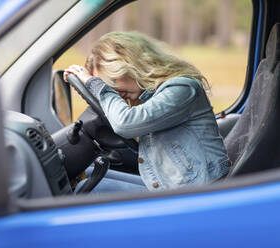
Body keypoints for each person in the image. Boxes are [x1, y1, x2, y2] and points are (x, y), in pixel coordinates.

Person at [64, 31, 230, 192]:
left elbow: (125, 123)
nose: (114, 91)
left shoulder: (182, 89)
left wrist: (97, 86)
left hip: (197, 191)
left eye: (113, 81)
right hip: (171, 182)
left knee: (90, 189)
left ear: (135, 65)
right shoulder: (150, 96)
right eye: (108, 85)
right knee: (92, 172)